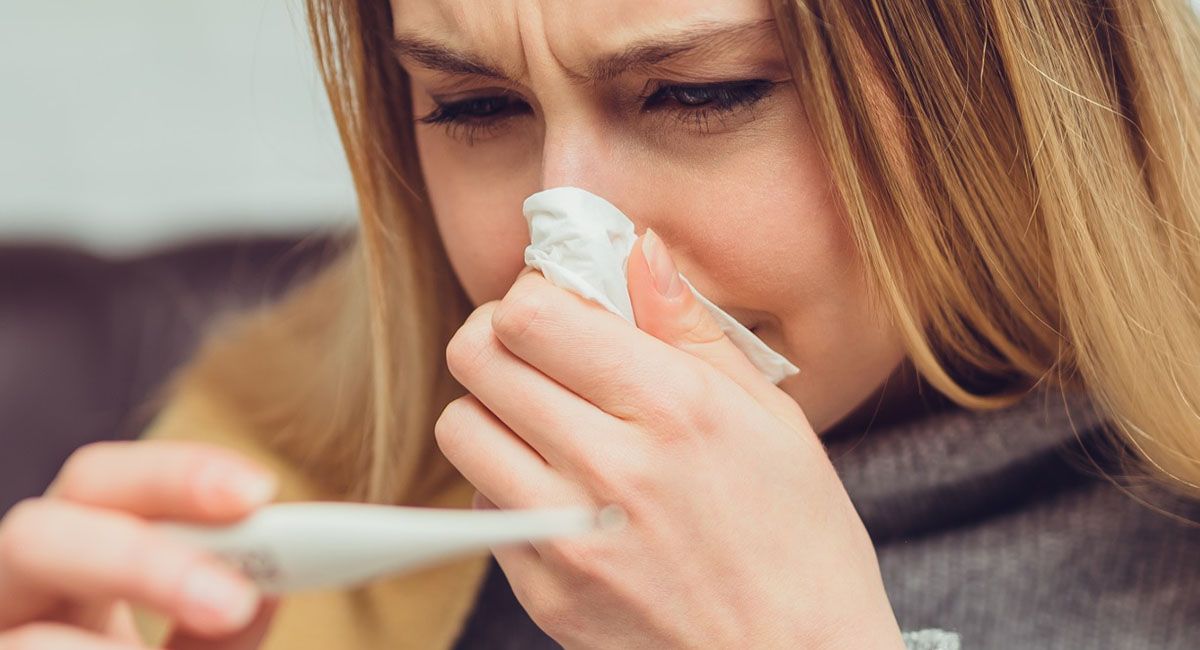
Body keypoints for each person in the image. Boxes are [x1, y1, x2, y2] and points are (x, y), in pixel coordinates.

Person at [2, 0, 1199, 647]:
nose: (562, 244)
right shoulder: (278, 466)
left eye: (700, 93)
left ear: (996, 80)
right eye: (473, 105)